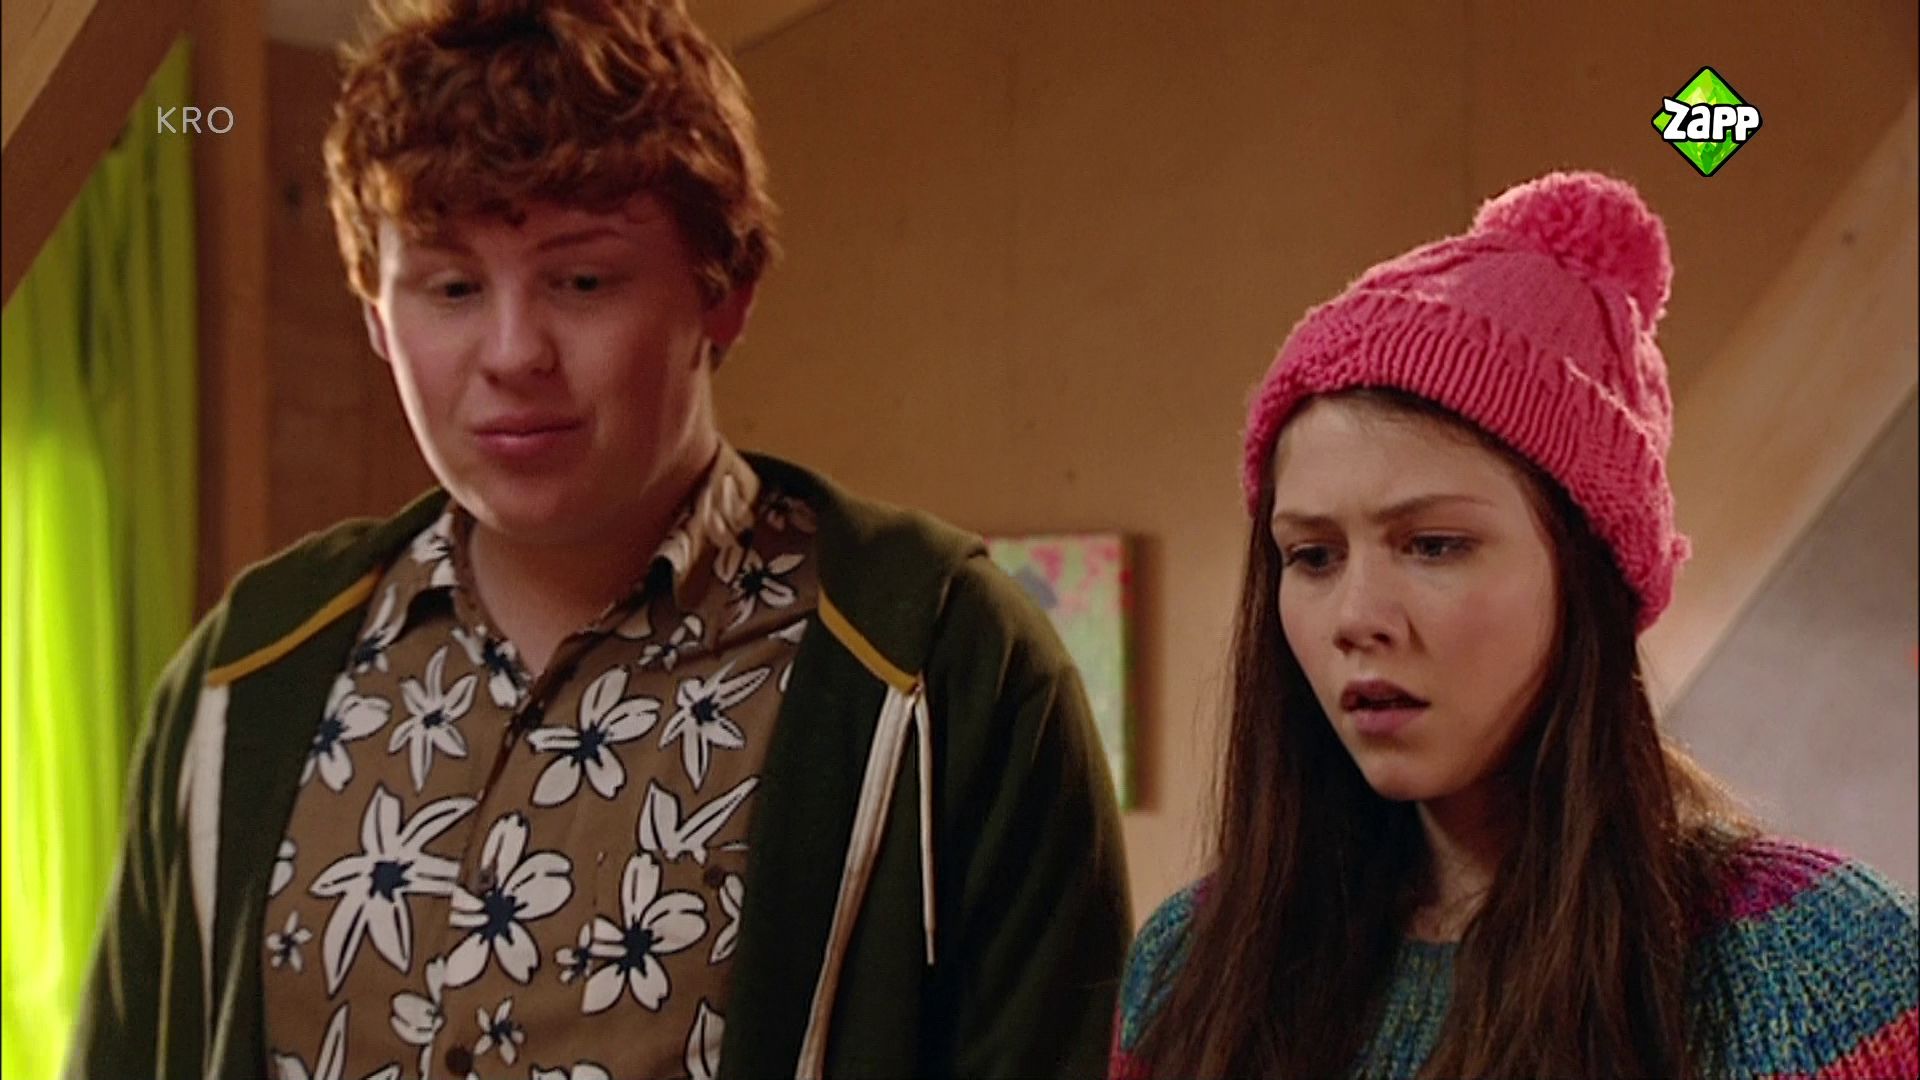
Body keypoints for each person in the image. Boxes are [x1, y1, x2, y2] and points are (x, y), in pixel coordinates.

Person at [65, 2, 1131, 1077]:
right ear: (379, 317)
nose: (513, 352)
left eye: (581, 281)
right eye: (452, 287)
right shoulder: (248, 671)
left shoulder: (945, 663)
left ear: (725, 293)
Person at [1109, 171, 1919, 1079]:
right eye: (1313, 556)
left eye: (1434, 545)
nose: (1357, 618)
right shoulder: (1192, 967)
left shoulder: (1822, 970)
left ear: (1587, 572)